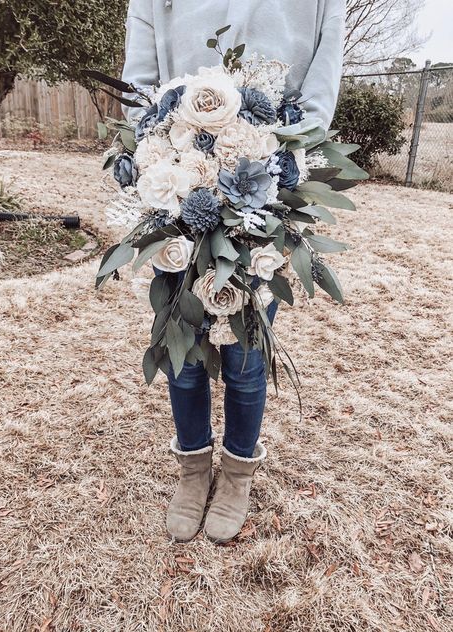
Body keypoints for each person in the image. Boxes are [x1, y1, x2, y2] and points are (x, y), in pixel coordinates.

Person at [122, 0, 346, 544]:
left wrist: (281, 162)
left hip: (267, 190)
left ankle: (239, 472)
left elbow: (319, 90)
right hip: (178, 182)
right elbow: (139, 88)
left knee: (246, 352)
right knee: (181, 337)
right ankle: (194, 470)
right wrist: (165, 157)